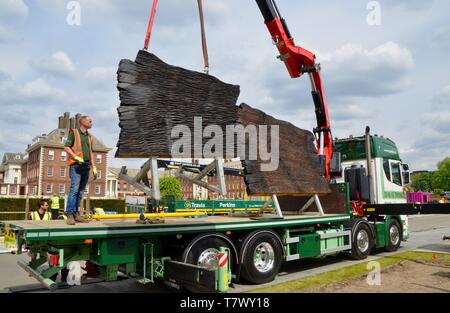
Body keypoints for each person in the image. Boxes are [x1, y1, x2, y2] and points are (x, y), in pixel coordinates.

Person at [64, 115, 98, 225]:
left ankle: (76, 214)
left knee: (80, 192)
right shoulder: (74, 132)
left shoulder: (89, 137)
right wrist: (75, 156)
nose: (92, 123)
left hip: (86, 166)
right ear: (82, 121)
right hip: (77, 165)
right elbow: (66, 147)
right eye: (90, 121)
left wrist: (94, 167)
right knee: (74, 190)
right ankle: (69, 214)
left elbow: (91, 153)